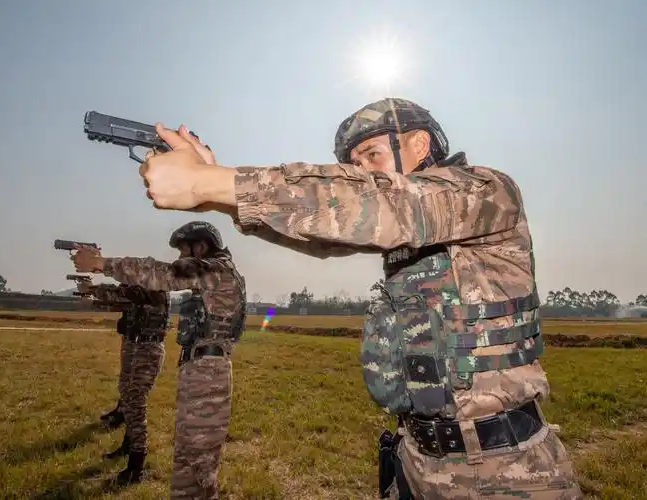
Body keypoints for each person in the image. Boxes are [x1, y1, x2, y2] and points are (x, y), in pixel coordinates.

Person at [135, 98, 583, 499]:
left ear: (419, 143)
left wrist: (213, 183)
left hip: (507, 471)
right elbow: (327, 233)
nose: (363, 170)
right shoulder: (401, 223)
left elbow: (377, 203)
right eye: (354, 162)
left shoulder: (483, 191)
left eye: (372, 154)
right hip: (418, 460)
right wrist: (219, 195)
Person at [71, 221, 246, 500]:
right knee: (191, 467)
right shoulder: (217, 273)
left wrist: (100, 263)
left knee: (197, 469)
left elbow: (160, 273)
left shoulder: (215, 270)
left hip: (207, 372)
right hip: (203, 370)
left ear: (200, 247)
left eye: (183, 251)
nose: (179, 259)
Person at [73, 279, 169, 486]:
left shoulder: (154, 288)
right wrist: (91, 297)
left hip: (147, 351)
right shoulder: (139, 292)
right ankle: (128, 446)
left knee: (135, 404)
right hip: (135, 347)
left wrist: (92, 289)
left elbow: (121, 295)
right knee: (127, 398)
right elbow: (117, 302)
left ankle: (136, 466)